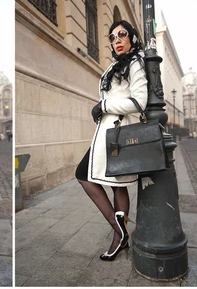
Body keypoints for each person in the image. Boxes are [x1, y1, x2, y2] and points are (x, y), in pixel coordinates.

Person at [75, 20, 147, 261]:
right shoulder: (117, 65)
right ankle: (121, 233)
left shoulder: (135, 62)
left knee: (90, 176)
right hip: (108, 131)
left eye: (122, 35)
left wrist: (104, 105)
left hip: (117, 131)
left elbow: (139, 102)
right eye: (112, 37)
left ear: (132, 38)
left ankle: (119, 234)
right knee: (108, 181)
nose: (117, 40)